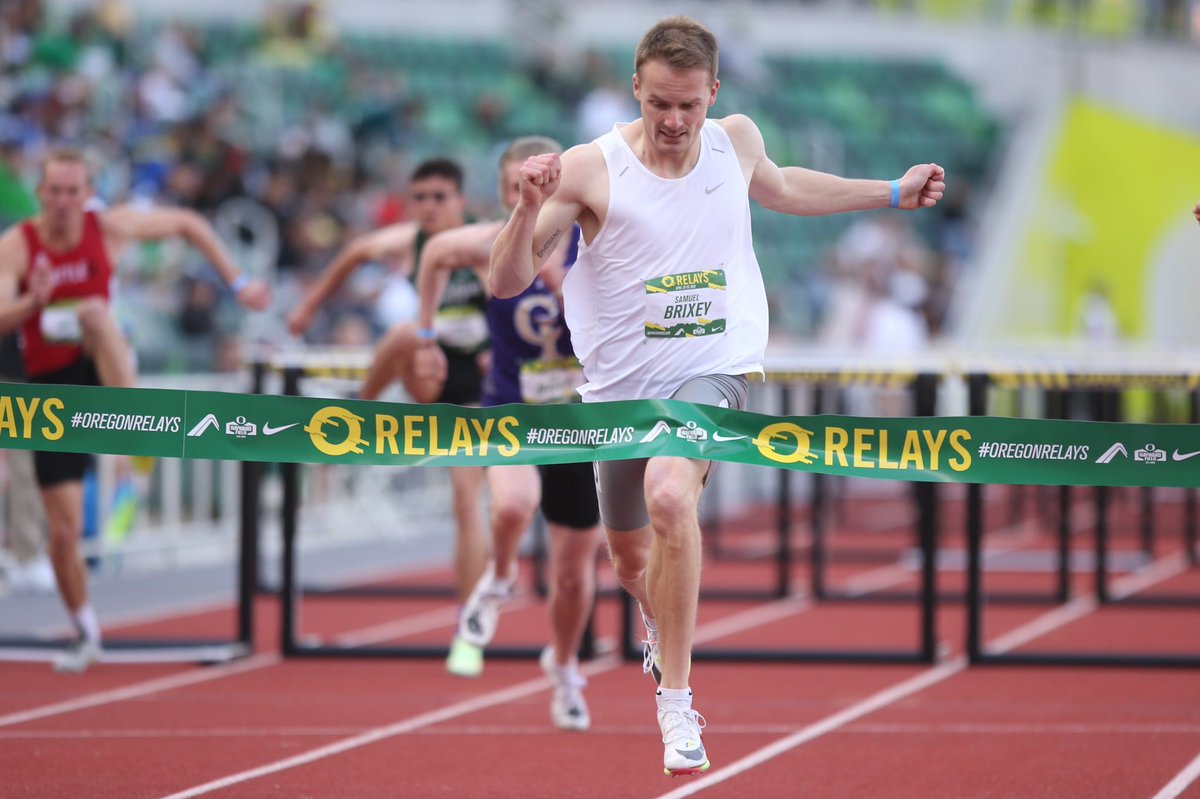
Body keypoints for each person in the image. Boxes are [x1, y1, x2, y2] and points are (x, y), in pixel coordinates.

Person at [489, 16, 946, 776]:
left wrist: (892, 190)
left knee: (673, 498)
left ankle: (676, 701)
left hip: (714, 366)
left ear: (714, 95)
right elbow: (505, 281)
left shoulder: (735, 140)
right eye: (660, 104)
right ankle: (653, 616)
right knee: (632, 560)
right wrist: (526, 208)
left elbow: (787, 187)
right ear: (635, 88)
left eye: (689, 106)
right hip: (618, 392)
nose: (673, 122)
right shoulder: (589, 168)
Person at [0, 147, 270, 672]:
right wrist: (32, 303)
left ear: (88, 194)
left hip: (104, 366)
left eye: (72, 191)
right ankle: (86, 632)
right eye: (53, 191)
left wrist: (237, 283)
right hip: (50, 390)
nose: (62, 202)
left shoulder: (113, 228)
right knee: (63, 534)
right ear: (40, 193)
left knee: (97, 312)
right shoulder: (17, 246)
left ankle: (136, 435)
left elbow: (190, 223)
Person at [412, 136, 602, 731]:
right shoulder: (490, 240)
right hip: (512, 412)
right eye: (518, 192)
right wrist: (423, 339)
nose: (534, 200)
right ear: (503, 195)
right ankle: (498, 576)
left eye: (547, 189)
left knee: (574, 574)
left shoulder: (594, 238)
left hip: (578, 421)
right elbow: (435, 252)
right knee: (514, 503)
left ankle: (565, 668)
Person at [287, 158, 489, 625]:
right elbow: (356, 252)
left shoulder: (485, 239)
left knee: (466, 503)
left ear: (460, 200)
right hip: (432, 370)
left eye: (439, 198)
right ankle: (356, 415)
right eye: (419, 198)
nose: (428, 207)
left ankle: (470, 616)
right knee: (402, 333)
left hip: (482, 384)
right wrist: (309, 305)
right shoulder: (410, 242)